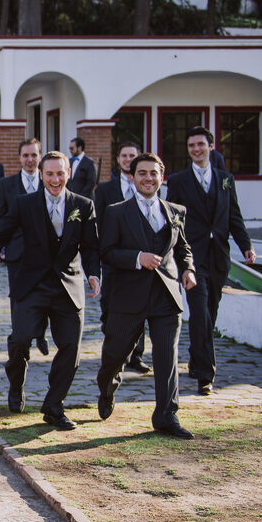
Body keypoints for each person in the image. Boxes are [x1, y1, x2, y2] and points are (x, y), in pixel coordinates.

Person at [0, 151, 100, 431]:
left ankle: (54, 406)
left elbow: (91, 247)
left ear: (68, 173)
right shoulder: (24, 204)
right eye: (50, 174)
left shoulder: (83, 205)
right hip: (31, 283)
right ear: (41, 175)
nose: (55, 179)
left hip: (68, 284)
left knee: (71, 346)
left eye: (60, 173)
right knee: (20, 339)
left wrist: (93, 274)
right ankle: (16, 382)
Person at [97, 153, 197, 439]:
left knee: (167, 357)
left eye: (154, 173)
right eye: (142, 173)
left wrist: (188, 269)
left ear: (161, 177)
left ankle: (166, 416)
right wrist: (137, 257)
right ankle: (107, 386)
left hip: (166, 295)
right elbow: (106, 252)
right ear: (132, 177)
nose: (148, 178)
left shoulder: (176, 211)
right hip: (128, 296)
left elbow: (183, 249)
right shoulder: (116, 212)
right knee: (115, 354)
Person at [164, 126, 254, 396]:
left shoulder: (226, 179)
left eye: (200, 144)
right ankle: (206, 375)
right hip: (191, 256)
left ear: (211, 146)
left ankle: (195, 356)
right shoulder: (179, 181)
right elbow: (173, 221)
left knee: (210, 312)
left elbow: (234, 216)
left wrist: (246, 245)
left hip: (219, 256)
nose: (196, 149)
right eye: (191, 145)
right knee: (200, 311)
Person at [95, 141, 151, 374]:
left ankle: (136, 355)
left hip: (139, 258)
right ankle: (114, 348)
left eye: (132, 156)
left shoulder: (146, 187)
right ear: (118, 160)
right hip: (113, 257)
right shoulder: (105, 190)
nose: (128, 159)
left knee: (141, 307)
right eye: (124, 156)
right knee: (109, 306)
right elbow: (97, 221)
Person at [0, 139, 49, 356]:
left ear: (40, 157)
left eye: (34, 155)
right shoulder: (6, 185)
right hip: (17, 251)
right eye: (25, 155)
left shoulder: (50, 182)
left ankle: (40, 333)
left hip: (45, 252)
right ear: (19, 158)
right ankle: (19, 340)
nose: (30, 160)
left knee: (44, 295)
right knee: (17, 297)